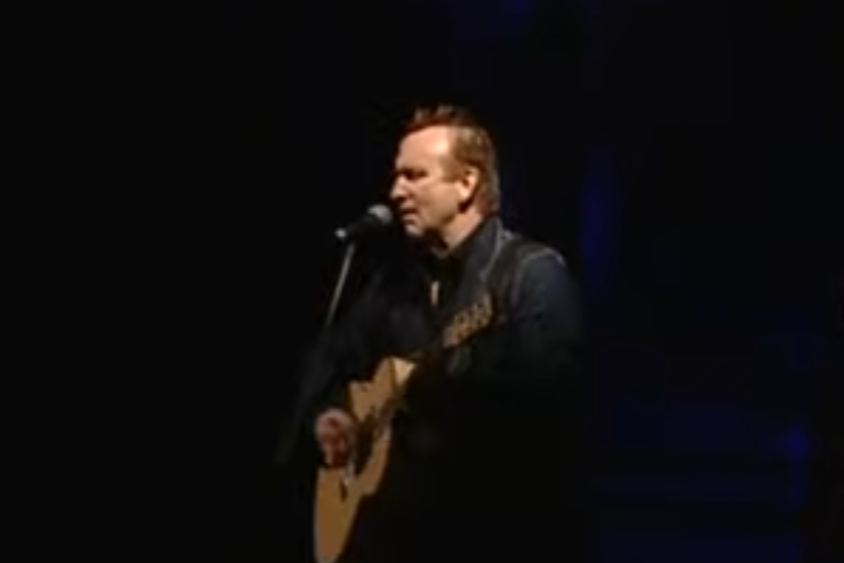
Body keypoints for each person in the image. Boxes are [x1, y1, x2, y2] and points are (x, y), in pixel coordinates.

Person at [278, 104, 583, 563]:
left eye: (414, 176)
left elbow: (541, 403)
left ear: (467, 183)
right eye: (397, 176)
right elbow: (330, 359)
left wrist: (440, 387)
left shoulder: (531, 275)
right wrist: (333, 412)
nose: (394, 192)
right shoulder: (395, 287)